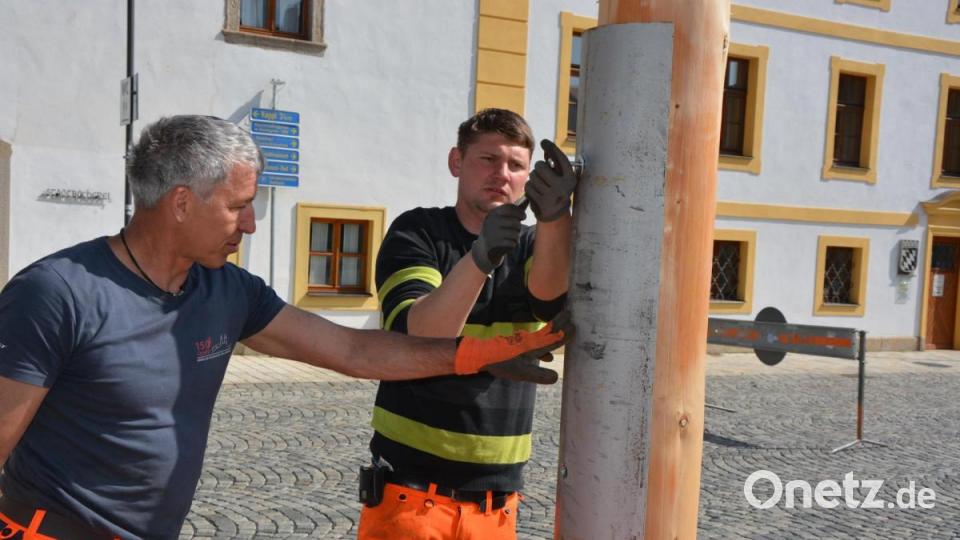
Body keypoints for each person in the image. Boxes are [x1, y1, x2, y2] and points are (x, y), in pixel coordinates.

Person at [0, 115, 572, 540]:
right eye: (239, 206)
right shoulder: (58, 293)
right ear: (181, 204)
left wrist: (477, 354)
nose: (251, 224)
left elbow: (354, 351)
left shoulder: (228, 290)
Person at [357, 108, 578, 539]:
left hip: (497, 503)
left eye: (516, 165)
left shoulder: (534, 244)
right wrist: (479, 259)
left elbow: (549, 300)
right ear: (456, 161)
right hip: (409, 494)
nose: (502, 174)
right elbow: (422, 334)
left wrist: (556, 218)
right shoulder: (418, 231)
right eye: (488, 159)